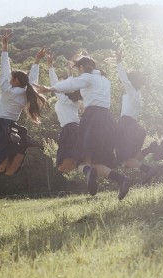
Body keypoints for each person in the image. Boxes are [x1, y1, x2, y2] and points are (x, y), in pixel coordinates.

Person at [36, 56, 131, 200]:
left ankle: (88, 172)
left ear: (82, 67)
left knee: (81, 160)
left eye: (78, 69)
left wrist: (50, 88)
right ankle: (122, 180)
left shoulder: (88, 78)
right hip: (108, 120)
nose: (79, 73)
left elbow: (72, 83)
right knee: (97, 162)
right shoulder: (104, 80)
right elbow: (73, 82)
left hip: (93, 118)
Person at [0, 31, 47, 176]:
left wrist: (5, 46)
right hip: (13, 126)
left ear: (14, 81)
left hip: (0, 126)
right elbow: (32, 82)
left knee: (0, 169)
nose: (8, 78)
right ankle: (20, 147)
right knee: (8, 172)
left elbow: (4, 69)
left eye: (11, 77)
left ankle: (16, 147)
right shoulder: (26, 93)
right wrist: (37, 60)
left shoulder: (7, 90)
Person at [114, 50, 153, 175]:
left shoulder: (131, 92)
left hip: (126, 125)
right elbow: (126, 80)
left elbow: (124, 79)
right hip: (133, 125)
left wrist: (119, 62)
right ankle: (149, 151)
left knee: (123, 160)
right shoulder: (138, 94)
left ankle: (149, 170)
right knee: (128, 159)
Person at [47, 54, 81, 173]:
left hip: (69, 129)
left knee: (62, 166)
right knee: (70, 163)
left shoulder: (63, 98)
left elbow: (54, 82)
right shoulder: (72, 99)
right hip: (76, 128)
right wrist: (69, 70)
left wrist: (50, 66)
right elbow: (71, 85)